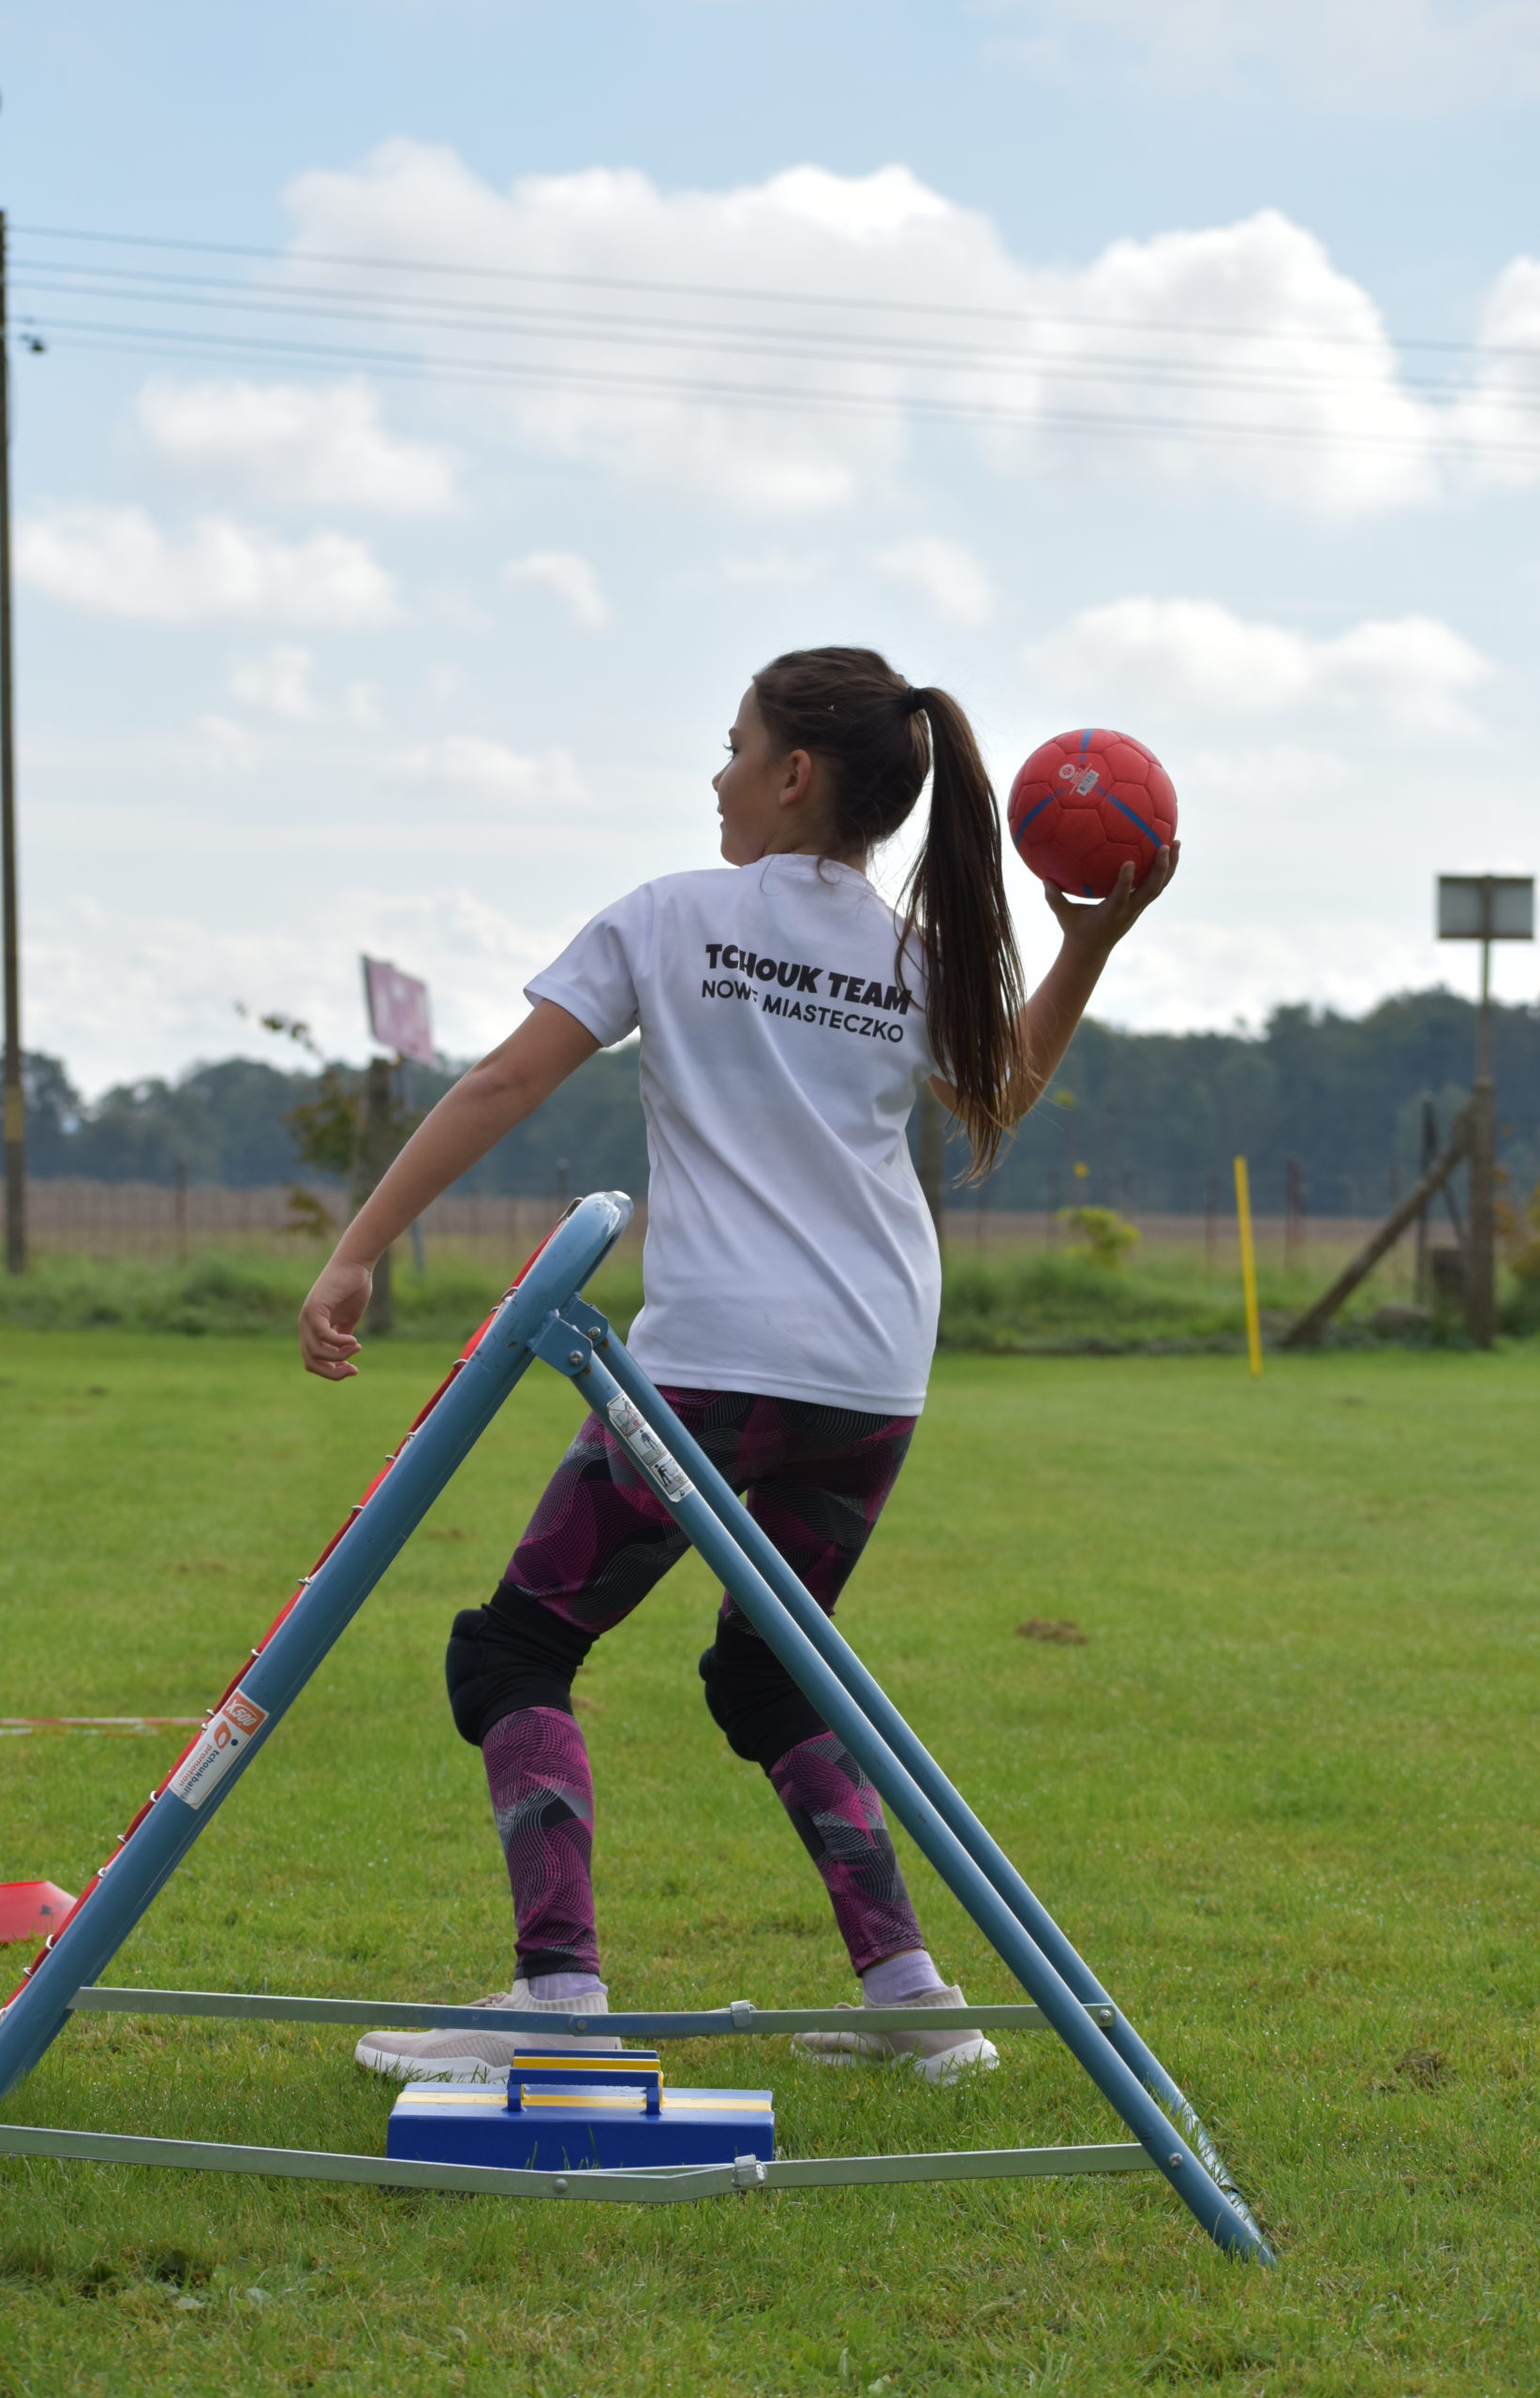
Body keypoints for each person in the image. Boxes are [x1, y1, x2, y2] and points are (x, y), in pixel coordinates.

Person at [299, 646, 1174, 2086]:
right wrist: (1088, 945)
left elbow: (505, 1079)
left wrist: (359, 1246)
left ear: (793, 775)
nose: (714, 773)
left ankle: (557, 2002)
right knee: (771, 1676)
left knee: (517, 1649)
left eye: (732, 744)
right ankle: (914, 2000)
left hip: (715, 1368)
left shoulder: (667, 918)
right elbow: (1000, 1096)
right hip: (876, 1371)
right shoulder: (913, 955)